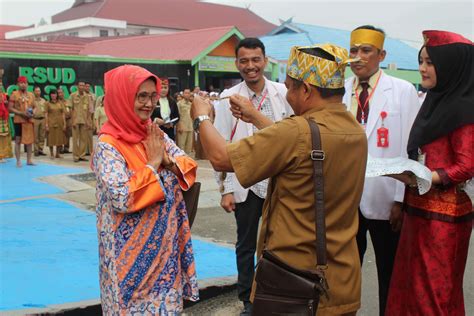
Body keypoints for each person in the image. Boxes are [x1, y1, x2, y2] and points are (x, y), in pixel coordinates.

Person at [192, 43, 368, 316]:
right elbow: (300, 146)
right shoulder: (354, 129)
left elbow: (220, 157)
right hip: (342, 275)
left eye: (291, 87)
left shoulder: (296, 130)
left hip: (295, 280)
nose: (287, 95)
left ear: (307, 90)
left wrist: (201, 117)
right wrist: (255, 116)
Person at [91, 65, 199, 314]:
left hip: (164, 252)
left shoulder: (152, 132)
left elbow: (187, 166)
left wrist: (168, 162)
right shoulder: (108, 146)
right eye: (141, 96)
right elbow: (122, 197)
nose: (149, 103)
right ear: (122, 97)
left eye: (153, 96)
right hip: (128, 260)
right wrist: (153, 163)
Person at [386, 30, 473, 316]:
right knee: (409, 286)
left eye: (430, 62)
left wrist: (424, 177)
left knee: (435, 295)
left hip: (444, 220)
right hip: (418, 209)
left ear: (451, 66)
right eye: (421, 61)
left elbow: (467, 165)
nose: (422, 68)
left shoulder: (464, 109)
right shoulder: (434, 102)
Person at [342, 25, 420, 316]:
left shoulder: (402, 90)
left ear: (381, 54)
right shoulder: (340, 90)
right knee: (345, 273)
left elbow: (410, 150)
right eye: (354, 50)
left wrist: (401, 199)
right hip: (346, 199)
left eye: (366, 51)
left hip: (387, 198)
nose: (358, 57)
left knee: (390, 271)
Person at [213, 37, 293, 315]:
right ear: (237, 64)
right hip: (246, 183)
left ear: (265, 61)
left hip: (278, 182)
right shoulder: (227, 99)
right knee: (246, 243)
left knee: (280, 242)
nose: (250, 66)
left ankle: (274, 294)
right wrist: (224, 188)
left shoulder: (283, 93)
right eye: (244, 61)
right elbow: (221, 143)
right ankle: (248, 299)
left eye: (255, 60)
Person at [8, 76, 35, 167]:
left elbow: (35, 107)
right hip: (19, 120)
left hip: (29, 120)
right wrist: (21, 113)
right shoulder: (14, 94)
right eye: (21, 83)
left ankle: (29, 160)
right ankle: (18, 161)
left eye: (25, 83)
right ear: (18, 84)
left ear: (27, 84)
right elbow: (10, 108)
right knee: (18, 140)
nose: (23, 85)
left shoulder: (31, 95)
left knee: (30, 141)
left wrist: (33, 113)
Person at [69, 81, 91, 162]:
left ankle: (82, 155)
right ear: (77, 86)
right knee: (75, 139)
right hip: (76, 120)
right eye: (80, 85)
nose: (82, 87)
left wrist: (88, 121)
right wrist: (73, 120)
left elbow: (89, 110)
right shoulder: (73, 95)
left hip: (84, 120)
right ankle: (76, 156)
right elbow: (71, 109)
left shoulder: (87, 97)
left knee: (83, 139)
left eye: (83, 85)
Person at [44, 89, 66, 159]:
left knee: (59, 139)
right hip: (51, 123)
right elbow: (46, 114)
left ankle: (57, 153)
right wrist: (46, 124)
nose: (54, 95)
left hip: (60, 123)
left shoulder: (60, 103)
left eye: (55, 94)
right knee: (51, 139)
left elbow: (63, 113)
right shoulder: (47, 103)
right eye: (52, 94)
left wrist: (64, 123)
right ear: (50, 95)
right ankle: (51, 154)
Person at [0, 72, 13, 162]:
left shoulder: (4, 95)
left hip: (3, 117)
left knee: (4, 136)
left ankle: (2, 154)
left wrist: (5, 103)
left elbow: (7, 104)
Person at [176, 88, 193, 153]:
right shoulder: (179, 104)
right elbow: (178, 116)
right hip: (182, 128)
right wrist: (179, 126)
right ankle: (181, 162)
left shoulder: (191, 104)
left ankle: (188, 162)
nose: (187, 94)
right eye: (186, 93)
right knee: (181, 146)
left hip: (190, 127)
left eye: (189, 93)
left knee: (189, 147)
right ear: (183, 94)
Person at [32, 86, 47, 156]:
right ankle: (36, 150)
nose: (38, 92)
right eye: (36, 91)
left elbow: (46, 111)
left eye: (39, 91)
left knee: (42, 136)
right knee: (36, 136)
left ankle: (41, 149)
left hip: (43, 119)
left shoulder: (43, 101)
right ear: (34, 92)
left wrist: (46, 121)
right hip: (35, 119)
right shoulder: (32, 101)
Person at [58, 88, 72, 154]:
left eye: (61, 92)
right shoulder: (57, 102)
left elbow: (70, 109)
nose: (60, 94)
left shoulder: (67, 101)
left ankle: (66, 148)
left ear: (63, 93)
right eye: (59, 93)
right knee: (60, 134)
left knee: (67, 134)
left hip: (68, 120)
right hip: (60, 120)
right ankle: (60, 148)